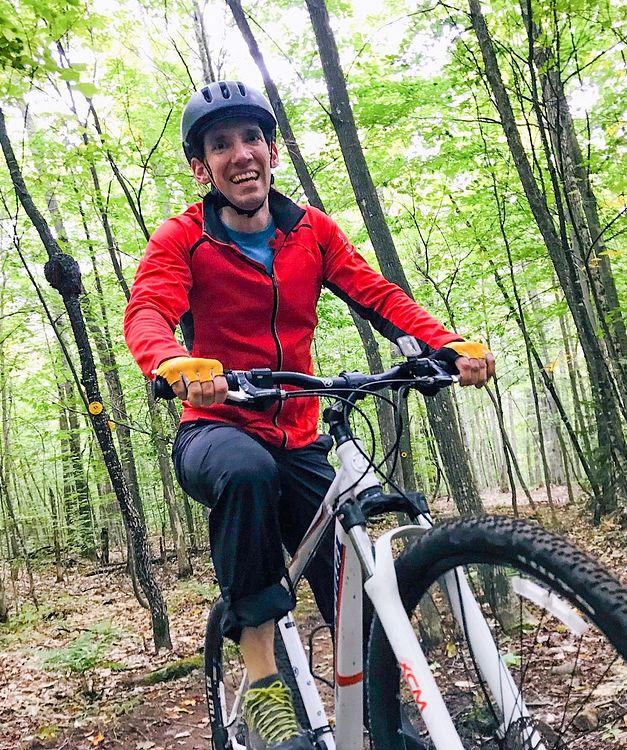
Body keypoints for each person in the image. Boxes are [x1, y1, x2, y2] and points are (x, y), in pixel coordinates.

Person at [124, 80, 495, 750]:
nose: (241, 154)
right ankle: (263, 681)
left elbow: (375, 292)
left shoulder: (310, 231)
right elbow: (148, 309)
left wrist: (445, 343)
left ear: (271, 151)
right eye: (221, 144)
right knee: (245, 475)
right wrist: (173, 363)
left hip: (297, 432)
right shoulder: (183, 238)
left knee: (341, 566)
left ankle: (385, 717)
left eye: (251, 139)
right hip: (217, 429)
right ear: (201, 166)